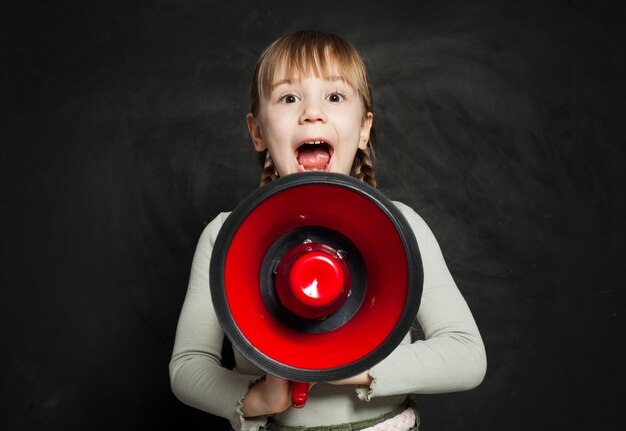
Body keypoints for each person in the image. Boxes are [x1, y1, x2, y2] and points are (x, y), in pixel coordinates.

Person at [169, 30, 487, 431]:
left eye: (334, 97)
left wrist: (347, 365)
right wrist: (255, 398)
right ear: (257, 132)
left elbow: (466, 356)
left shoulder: (402, 227)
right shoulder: (223, 237)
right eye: (288, 98)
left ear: (364, 128)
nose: (311, 113)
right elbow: (187, 368)